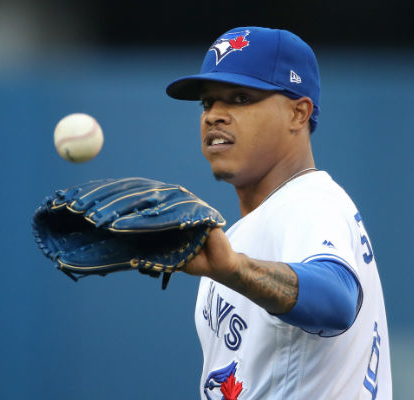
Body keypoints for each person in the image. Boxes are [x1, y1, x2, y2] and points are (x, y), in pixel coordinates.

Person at [166, 26, 391, 400]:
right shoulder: (246, 231)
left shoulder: (309, 202)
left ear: (298, 113)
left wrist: (236, 269)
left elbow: (337, 300)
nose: (214, 116)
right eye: (207, 103)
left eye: (239, 98)